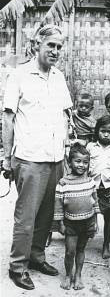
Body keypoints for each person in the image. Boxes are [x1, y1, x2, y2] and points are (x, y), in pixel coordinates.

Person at [2, 24, 73, 290]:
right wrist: (5, 157)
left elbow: (66, 115)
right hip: (30, 158)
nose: (55, 51)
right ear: (37, 46)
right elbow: (8, 117)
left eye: (58, 47)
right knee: (26, 216)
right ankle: (17, 266)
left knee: (46, 216)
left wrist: (66, 151)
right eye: (50, 46)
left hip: (55, 158)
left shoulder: (58, 77)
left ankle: (36, 257)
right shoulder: (19, 76)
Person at [53, 143, 99, 290]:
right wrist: (60, 223)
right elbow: (58, 205)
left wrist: (95, 222)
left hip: (88, 222)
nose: (82, 165)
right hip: (71, 224)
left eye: (85, 162)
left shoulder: (90, 181)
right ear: (69, 162)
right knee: (69, 251)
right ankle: (68, 275)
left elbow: (95, 201)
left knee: (81, 249)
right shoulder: (63, 183)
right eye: (78, 161)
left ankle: (78, 275)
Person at [87, 115, 110, 259]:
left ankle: (106, 245)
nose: (106, 134)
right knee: (88, 215)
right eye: (103, 131)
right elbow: (84, 167)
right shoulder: (91, 147)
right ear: (97, 131)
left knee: (109, 219)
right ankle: (84, 240)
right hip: (92, 187)